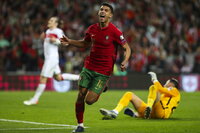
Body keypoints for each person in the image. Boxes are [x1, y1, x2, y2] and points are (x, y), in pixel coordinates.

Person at [60, 3, 131, 132]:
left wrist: (125, 60)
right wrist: (70, 41)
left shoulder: (115, 31)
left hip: (103, 71)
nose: (102, 11)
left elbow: (127, 47)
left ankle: (103, 86)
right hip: (89, 66)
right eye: (101, 9)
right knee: (81, 95)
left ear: (110, 15)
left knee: (90, 101)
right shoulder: (92, 29)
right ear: (98, 13)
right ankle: (80, 125)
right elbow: (84, 43)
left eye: (106, 10)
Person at [23, 17, 79, 106]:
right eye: (49, 20)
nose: (49, 21)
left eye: (51, 21)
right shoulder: (48, 31)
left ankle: (35, 99)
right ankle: (79, 78)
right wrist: (43, 38)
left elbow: (66, 42)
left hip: (51, 59)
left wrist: (56, 40)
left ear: (56, 23)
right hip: (50, 58)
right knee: (58, 78)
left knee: (43, 78)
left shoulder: (58, 31)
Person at [100, 72, 181, 119]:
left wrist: (154, 79)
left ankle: (146, 108)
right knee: (129, 94)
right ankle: (115, 112)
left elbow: (159, 88)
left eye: (167, 82)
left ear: (171, 84)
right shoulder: (168, 93)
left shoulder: (174, 90)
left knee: (154, 87)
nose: (165, 83)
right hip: (154, 112)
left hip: (162, 112)